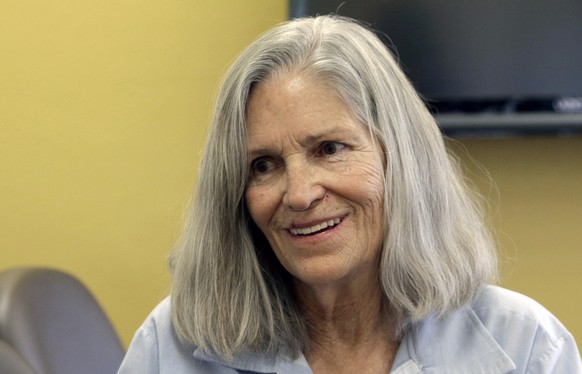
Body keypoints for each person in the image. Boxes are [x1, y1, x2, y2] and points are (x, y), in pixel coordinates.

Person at [118, 15, 581, 373]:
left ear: (400, 158)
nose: (299, 195)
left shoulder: (527, 347)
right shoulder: (171, 346)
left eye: (330, 149)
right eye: (263, 166)